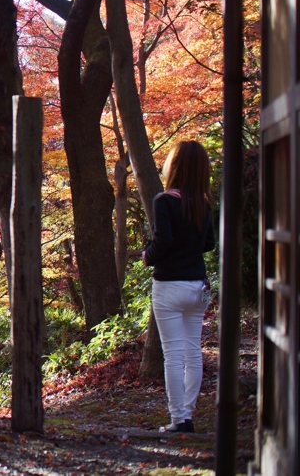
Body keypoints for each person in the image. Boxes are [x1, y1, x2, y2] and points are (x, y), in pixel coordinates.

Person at [143, 140, 216, 434]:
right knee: (192, 352)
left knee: (173, 354)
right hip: (197, 286)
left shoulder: (164, 201)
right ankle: (188, 413)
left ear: (174, 166)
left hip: (169, 286)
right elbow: (209, 243)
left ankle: (179, 419)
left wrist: (147, 255)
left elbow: (164, 241)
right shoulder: (203, 203)